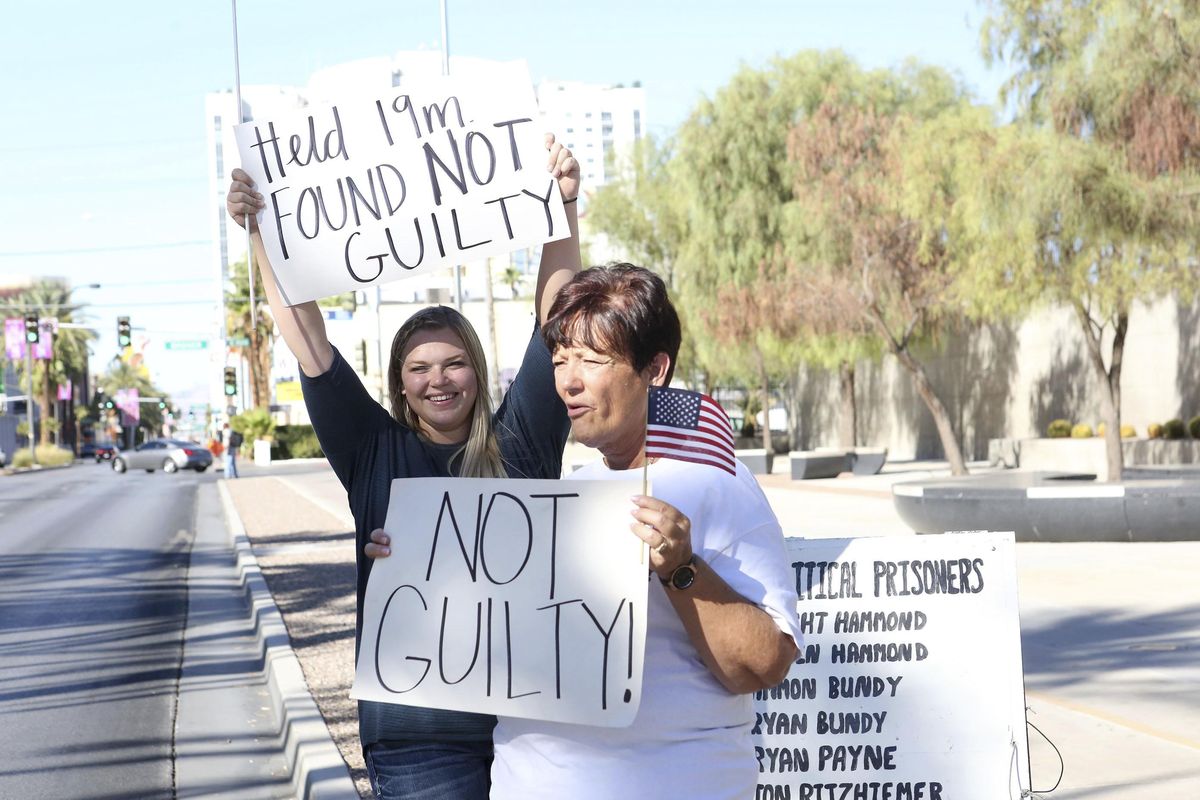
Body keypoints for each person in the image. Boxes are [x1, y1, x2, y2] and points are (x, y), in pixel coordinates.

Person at [225, 134, 581, 800]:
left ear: (477, 370)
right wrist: (262, 234)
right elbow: (310, 344)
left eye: (453, 364)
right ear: (399, 383)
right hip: (420, 735)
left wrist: (561, 209)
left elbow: (554, 323)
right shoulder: (373, 451)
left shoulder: (522, 444)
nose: (437, 381)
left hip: (536, 727)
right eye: (419, 369)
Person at [491, 264, 802, 799]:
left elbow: (764, 664)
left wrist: (683, 570)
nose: (568, 379)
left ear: (655, 369)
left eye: (591, 360)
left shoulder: (716, 484)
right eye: (561, 360)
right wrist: (410, 560)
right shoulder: (566, 490)